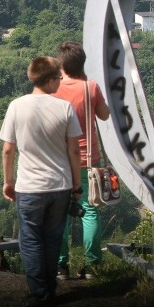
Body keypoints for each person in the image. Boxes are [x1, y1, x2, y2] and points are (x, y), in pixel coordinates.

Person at [0, 56, 82, 307]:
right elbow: (75, 152)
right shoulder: (64, 108)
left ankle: (39, 293)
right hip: (60, 186)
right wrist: (76, 187)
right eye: (58, 77)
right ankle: (51, 289)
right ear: (48, 79)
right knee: (53, 238)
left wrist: (8, 182)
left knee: (31, 240)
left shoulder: (16, 106)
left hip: (30, 187)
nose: (60, 81)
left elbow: (8, 150)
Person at [53, 41, 110, 281]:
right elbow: (105, 115)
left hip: (60, 160)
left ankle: (60, 265)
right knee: (89, 211)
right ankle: (92, 266)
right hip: (88, 161)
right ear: (82, 64)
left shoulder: (53, 88)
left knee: (59, 214)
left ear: (61, 66)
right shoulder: (91, 87)